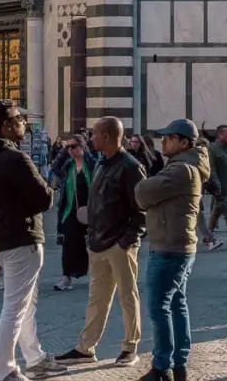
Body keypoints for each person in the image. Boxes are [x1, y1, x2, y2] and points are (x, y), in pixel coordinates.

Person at [0, 99, 64, 381]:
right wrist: (51, 187)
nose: (23, 122)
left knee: (25, 303)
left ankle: (34, 357)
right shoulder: (14, 158)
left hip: (4, 238)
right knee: (14, 307)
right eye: (17, 118)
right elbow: (43, 197)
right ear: (6, 126)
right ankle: (4, 369)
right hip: (21, 238)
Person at [55, 117, 145, 369]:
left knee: (128, 296)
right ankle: (86, 347)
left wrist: (127, 240)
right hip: (97, 242)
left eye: (94, 134)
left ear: (106, 136)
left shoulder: (130, 166)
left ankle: (130, 346)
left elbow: (141, 209)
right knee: (97, 298)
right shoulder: (102, 164)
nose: (91, 138)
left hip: (119, 244)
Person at [135, 118, 210, 381]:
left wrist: (144, 186)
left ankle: (161, 366)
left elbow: (142, 193)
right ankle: (178, 365)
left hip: (169, 247)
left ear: (184, 142)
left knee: (159, 305)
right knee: (176, 304)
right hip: (177, 244)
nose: (163, 142)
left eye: (169, 138)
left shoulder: (182, 170)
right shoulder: (183, 166)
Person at [53, 134, 95, 292]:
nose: (70, 150)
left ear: (82, 147)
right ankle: (66, 278)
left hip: (91, 211)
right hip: (70, 210)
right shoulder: (67, 165)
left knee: (93, 245)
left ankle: (96, 277)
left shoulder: (92, 165)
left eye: (73, 147)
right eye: (67, 147)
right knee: (68, 243)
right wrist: (64, 151)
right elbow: (54, 167)